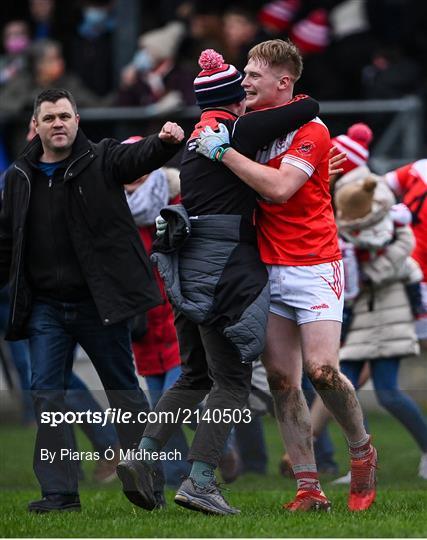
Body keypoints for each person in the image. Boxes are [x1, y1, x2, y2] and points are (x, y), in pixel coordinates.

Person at [116, 48, 320, 516]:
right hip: (222, 266)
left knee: (194, 374)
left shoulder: (195, 136)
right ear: (232, 98)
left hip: (186, 265)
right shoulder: (232, 129)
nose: (249, 90)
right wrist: (270, 94)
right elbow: (308, 108)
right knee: (230, 380)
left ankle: (143, 456)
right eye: (243, 84)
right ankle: (201, 479)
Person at [196, 39, 378, 512]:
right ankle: (308, 487)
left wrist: (225, 155)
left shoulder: (312, 130)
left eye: (254, 75)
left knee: (322, 372)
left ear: (283, 82)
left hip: (316, 264)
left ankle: (361, 449)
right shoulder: (252, 126)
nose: (245, 82)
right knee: (282, 380)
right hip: (268, 266)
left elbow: (278, 190)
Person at [0, 87, 184, 513]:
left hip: (100, 303)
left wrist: (165, 142)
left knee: (124, 393)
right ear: (37, 126)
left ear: (77, 120)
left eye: (65, 116)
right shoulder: (19, 177)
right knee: (46, 394)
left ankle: (149, 486)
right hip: (45, 306)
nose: (58, 123)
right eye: (49, 118)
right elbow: (6, 241)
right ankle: (60, 494)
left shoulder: (102, 158)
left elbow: (135, 159)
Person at [312, 171, 427, 482]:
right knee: (341, 391)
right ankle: (362, 463)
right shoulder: (348, 237)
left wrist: (365, 271)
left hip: (390, 317)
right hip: (360, 318)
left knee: (388, 392)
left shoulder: (395, 230)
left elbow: (400, 261)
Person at [385, 160, 427, 351]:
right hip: (410, 272)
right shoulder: (420, 168)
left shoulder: (420, 168)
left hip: (398, 265)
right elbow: (383, 186)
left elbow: (382, 187)